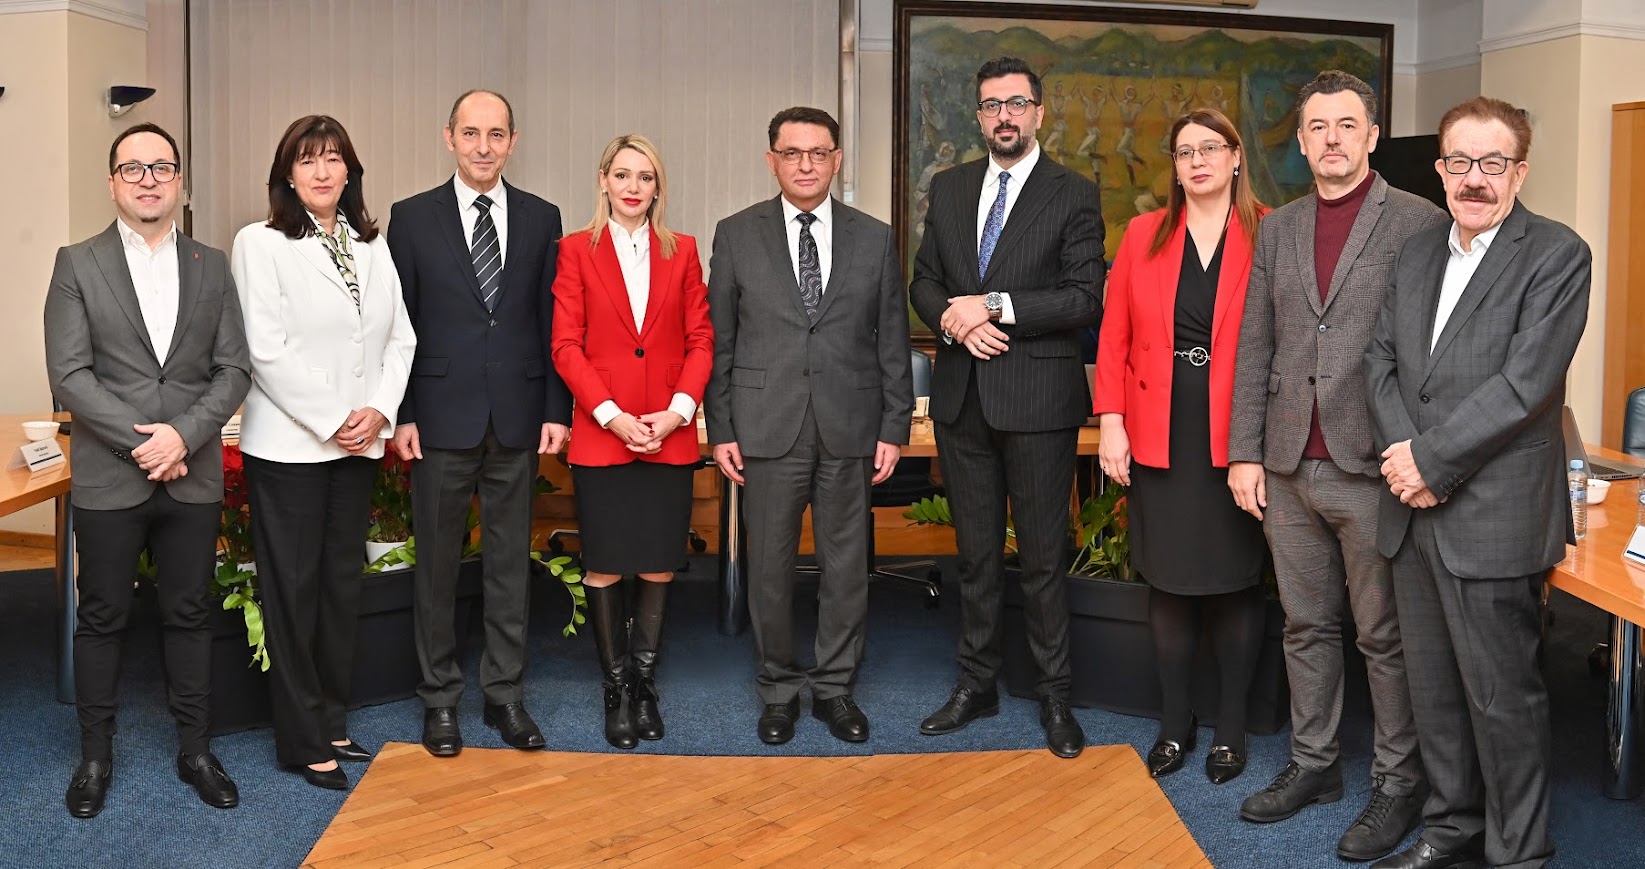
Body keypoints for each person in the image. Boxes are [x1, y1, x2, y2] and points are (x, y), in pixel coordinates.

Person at [1364, 96, 1589, 869]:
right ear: (1439, 169)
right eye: (1459, 160)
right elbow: (1379, 363)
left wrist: (1429, 462)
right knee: (1433, 690)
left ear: (1518, 172)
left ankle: (1517, 851)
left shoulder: (1556, 255)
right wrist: (1407, 459)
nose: (1473, 178)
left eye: (1492, 162)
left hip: (1491, 515)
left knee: (1500, 698)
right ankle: (1450, 824)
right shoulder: (1416, 253)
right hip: (1411, 510)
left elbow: (1523, 386)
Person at [1227, 70, 1447, 861]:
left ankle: (1397, 781)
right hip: (1288, 465)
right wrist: (1243, 450)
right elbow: (1255, 341)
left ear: (1372, 135)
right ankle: (1314, 763)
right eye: (1316, 126)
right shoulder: (1278, 228)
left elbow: (1433, 349)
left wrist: (1423, 450)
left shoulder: (1419, 221)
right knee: (1305, 625)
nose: (1330, 139)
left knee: (1383, 635)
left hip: (1373, 466)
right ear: (1299, 140)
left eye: (1346, 124)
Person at [45, 122, 251, 818]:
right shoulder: (77, 262)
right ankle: (94, 757)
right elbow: (70, 374)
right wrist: (144, 443)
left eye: (161, 166)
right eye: (132, 168)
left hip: (190, 470)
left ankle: (195, 750)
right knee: (102, 616)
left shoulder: (211, 264)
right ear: (112, 183)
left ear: (179, 181)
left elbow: (233, 368)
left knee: (189, 613)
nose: (148, 179)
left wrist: (182, 437)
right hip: (111, 472)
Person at [908, 56, 1104, 759]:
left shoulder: (1073, 192)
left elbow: (1084, 296)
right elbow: (924, 280)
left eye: (1016, 103)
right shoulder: (951, 186)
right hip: (962, 399)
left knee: (1044, 557)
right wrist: (954, 321)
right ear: (978, 116)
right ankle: (977, 683)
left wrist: (991, 306)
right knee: (976, 555)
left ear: (1039, 113)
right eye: (991, 105)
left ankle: (1055, 694)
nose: (1004, 116)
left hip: (1038, 400)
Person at [704, 106, 913, 746]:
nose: (805, 164)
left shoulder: (873, 238)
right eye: (792, 153)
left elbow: (892, 341)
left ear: (836, 160)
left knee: (845, 568)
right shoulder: (736, 235)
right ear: (771, 160)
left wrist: (895, 426)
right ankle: (777, 689)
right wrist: (721, 426)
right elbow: (720, 341)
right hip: (765, 427)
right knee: (768, 568)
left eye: (818, 153)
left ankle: (834, 689)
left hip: (851, 426)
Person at [230, 115, 416, 789]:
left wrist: (380, 410)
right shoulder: (260, 242)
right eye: (307, 159)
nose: (321, 170)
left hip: (358, 444)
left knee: (341, 589)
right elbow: (265, 349)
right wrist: (335, 417)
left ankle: (332, 719)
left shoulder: (371, 243)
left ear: (349, 171)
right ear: (287, 173)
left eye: (333, 158)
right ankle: (302, 738)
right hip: (291, 447)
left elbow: (400, 338)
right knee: (294, 594)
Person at [387, 89, 572, 757]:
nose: (483, 146)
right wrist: (402, 413)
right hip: (438, 417)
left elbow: (552, 322)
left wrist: (556, 410)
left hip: (518, 415)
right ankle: (439, 699)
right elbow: (397, 323)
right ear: (449, 138)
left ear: (513, 142)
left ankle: (504, 695)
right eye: (471, 133)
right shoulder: (411, 218)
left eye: (496, 134)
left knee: (508, 565)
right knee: (437, 567)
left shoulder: (542, 217)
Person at [1092, 109, 1268, 784]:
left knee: (1234, 581)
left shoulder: (1270, 229)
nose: (1196, 160)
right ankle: (1174, 721)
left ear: (1235, 157)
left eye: (1209, 148)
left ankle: (1230, 726)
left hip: (1237, 435)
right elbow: (1113, 334)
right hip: (1156, 429)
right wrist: (1111, 420)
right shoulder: (1144, 232)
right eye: (1184, 151)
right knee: (1167, 582)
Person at [550, 134, 713, 749]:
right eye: (622, 175)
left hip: (669, 430)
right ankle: (615, 687)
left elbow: (701, 340)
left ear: (657, 186)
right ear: (603, 180)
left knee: (657, 561)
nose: (633, 187)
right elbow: (565, 344)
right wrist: (611, 415)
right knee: (604, 563)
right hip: (604, 432)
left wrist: (678, 412)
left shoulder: (683, 249)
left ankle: (644, 683)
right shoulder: (575, 250)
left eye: (645, 177)